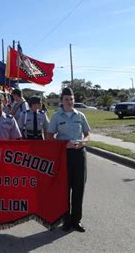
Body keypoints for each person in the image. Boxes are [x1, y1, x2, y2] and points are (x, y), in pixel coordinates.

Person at [46, 88, 90, 233]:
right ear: (61, 101)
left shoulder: (81, 115)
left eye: (71, 99)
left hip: (79, 154)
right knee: (64, 189)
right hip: (64, 155)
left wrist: (83, 142)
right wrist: (65, 144)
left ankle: (76, 221)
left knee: (79, 188)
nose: (69, 102)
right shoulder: (57, 117)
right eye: (66, 99)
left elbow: (88, 134)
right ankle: (66, 220)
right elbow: (50, 136)